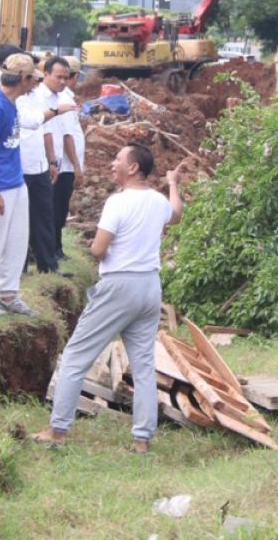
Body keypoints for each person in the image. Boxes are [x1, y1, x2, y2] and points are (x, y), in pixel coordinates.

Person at [34, 145, 184, 452]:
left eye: (118, 159)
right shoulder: (157, 200)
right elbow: (177, 215)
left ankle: (58, 431)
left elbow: (98, 249)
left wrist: (101, 249)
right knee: (143, 366)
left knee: (76, 356)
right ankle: (141, 441)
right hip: (149, 287)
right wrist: (172, 184)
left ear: (133, 168)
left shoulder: (118, 202)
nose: (112, 164)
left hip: (119, 285)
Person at [0, 53, 57, 318]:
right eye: (33, 80)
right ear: (23, 79)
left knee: (17, 241)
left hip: (14, 181)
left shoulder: (11, 102)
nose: (36, 85)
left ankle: (7, 296)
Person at [20, 57, 69, 274]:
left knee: (44, 215)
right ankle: (20, 266)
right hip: (21, 165)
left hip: (38, 164)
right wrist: (58, 111)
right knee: (21, 218)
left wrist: (51, 162)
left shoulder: (35, 97)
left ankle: (48, 264)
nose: (36, 83)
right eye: (34, 79)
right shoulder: (16, 99)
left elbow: (46, 131)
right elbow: (33, 122)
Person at [51, 57, 85, 258]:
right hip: (64, 167)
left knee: (59, 208)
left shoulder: (64, 99)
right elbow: (67, 137)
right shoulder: (65, 101)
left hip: (65, 165)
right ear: (76, 76)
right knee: (58, 209)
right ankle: (55, 249)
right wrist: (77, 167)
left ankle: (56, 247)